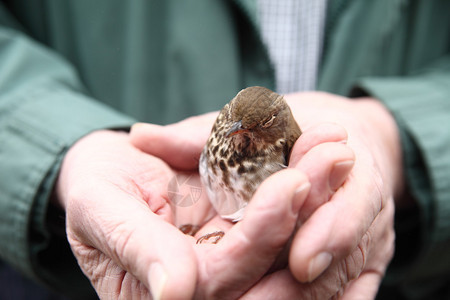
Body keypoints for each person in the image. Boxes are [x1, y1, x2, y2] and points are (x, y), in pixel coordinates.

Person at [0, 1, 449, 299]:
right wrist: (68, 144)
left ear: (272, 130)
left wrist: (393, 136)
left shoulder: (282, 149)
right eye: (231, 119)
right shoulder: (225, 128)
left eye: (246, 126)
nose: (233, 129)